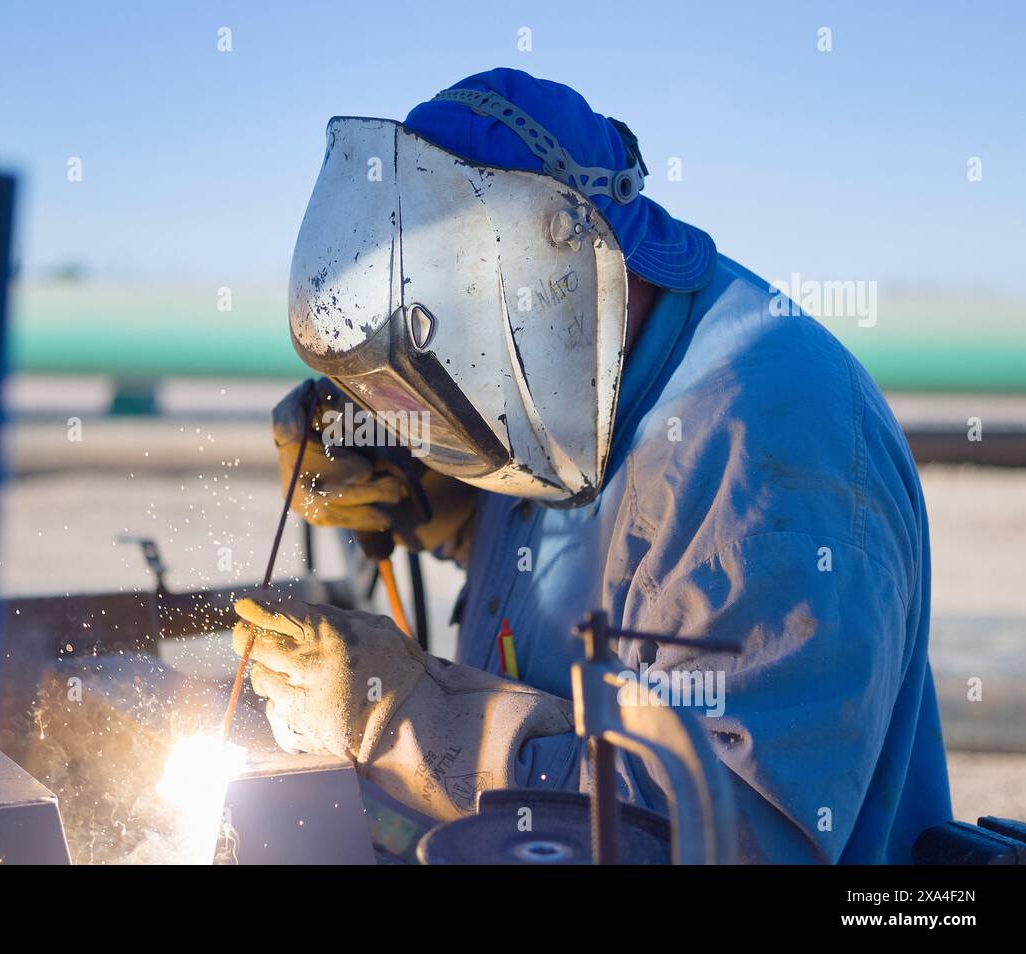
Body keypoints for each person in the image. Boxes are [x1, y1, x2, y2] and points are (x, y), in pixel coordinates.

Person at [232, 68, 952, 863]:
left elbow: (715, 837)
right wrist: (429, 500)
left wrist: (399, 716)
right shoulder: (578, 382)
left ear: (552, 268)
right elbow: (593, 569)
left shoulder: (769, 452)